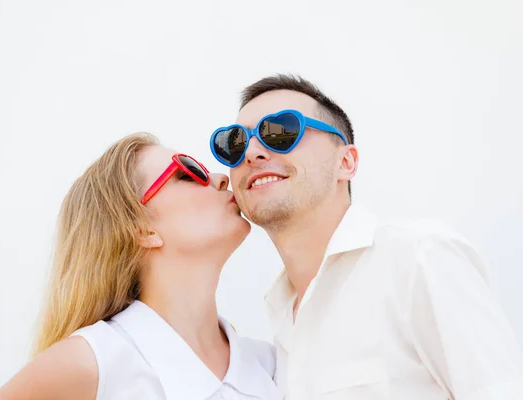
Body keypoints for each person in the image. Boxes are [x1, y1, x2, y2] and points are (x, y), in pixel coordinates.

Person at [209, 74, 523, 399]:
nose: (252, 152)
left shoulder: (417, 259)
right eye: (235, 142)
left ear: (346, 162)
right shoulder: (281, 317)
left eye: (280, 131)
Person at [0, 132, 283, 400]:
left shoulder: (270, 365)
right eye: (189, 173)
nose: (221, 178)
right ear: (141, 228)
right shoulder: (94, 360)